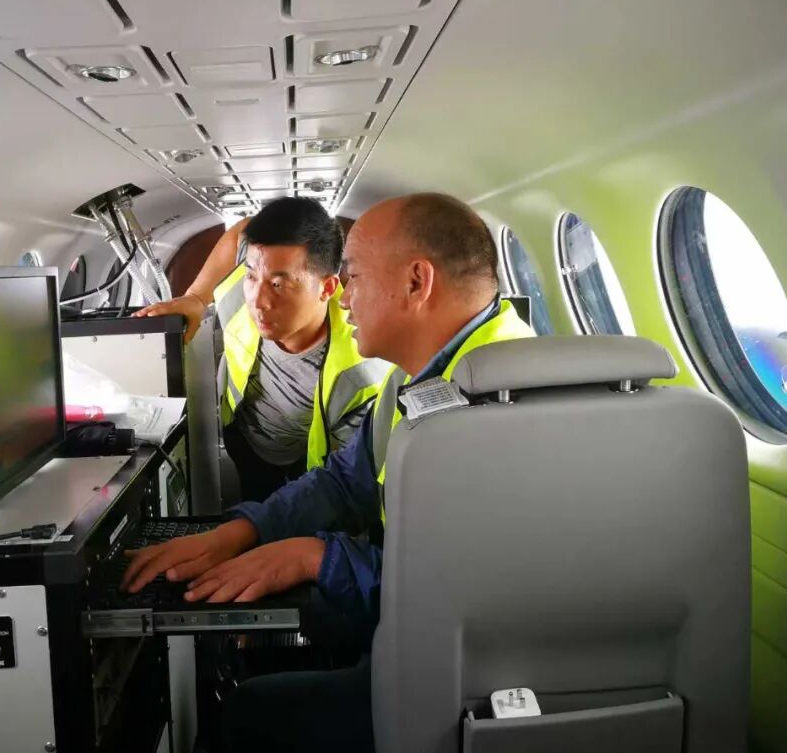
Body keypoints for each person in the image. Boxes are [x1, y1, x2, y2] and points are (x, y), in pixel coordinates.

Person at [123, 192, 536, 752]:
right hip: (424, 645)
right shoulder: (425, 377)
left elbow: (466, 593)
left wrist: (315, 556)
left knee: (247, 715)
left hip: (470, 683)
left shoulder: (498, 406)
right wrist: (240, 531)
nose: (345, 296)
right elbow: (343, 480)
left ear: (417, 282)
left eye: (354, 276)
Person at [135, 198, 388, 502]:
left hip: (304, 457)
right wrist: (195, 298)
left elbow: (346, 478)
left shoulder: (358, 373)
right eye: (251, 276)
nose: (258, 301)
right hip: (240, 435)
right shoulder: (242, 290)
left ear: (327, 288)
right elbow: (241, 231)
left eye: (279, 285)